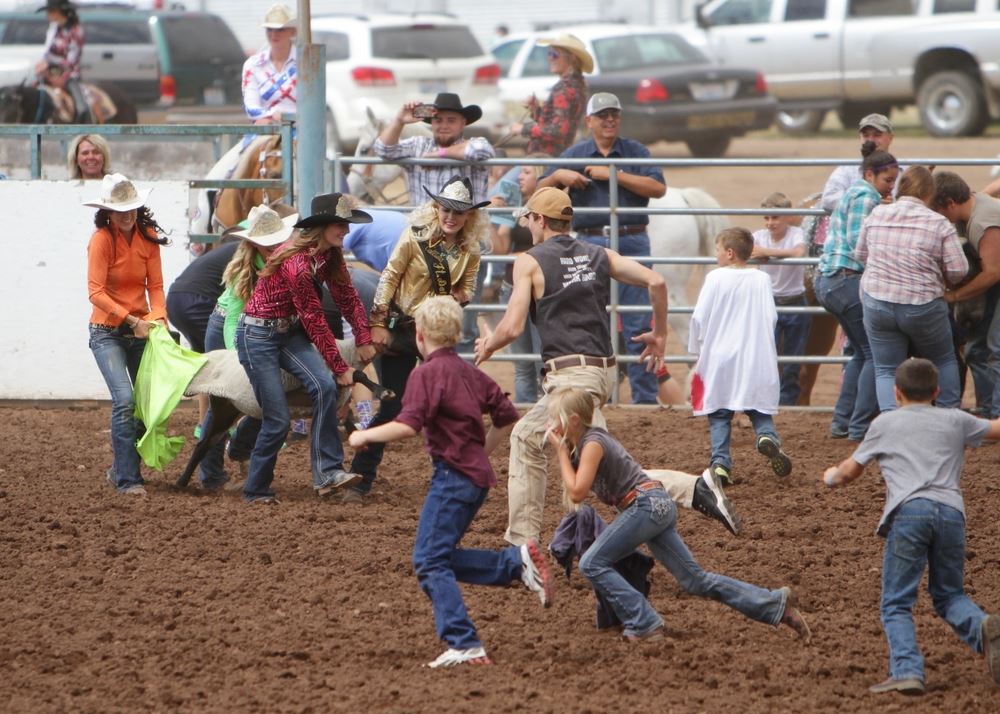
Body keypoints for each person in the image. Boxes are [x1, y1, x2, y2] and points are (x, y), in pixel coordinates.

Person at [348, 296, 552, 668]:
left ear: (419, 336)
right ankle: (514, 564)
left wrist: (365, 436)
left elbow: (409, 424)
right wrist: (480, 451)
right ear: (457, 334)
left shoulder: (425, 374)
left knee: (428, 561)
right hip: (474, 479)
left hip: (453, 478)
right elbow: (507, 417)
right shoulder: (471, 372)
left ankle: (464, 641)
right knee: (438, 558)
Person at [474, 187, 669, 545]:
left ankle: (522, 544)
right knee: (601, 461)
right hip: (600, 370)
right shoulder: (598, 253)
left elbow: (514, 326)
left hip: (571, 377)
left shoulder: (529, 261)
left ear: (541, 220)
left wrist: (489, 344)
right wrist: (660, 333)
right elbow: (656, 281)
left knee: (525, 438)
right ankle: (695, 490)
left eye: (529, 219)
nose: (528, 226)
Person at [548, 386, 811, 644]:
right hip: (654, 505)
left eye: (554, 417)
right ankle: (773, 603)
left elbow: (577, 492)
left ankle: (643, 622)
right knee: (695, 580)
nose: (550, 424)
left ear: (573, 420)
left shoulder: (593, 443)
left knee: (591, 563)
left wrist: (559, 452)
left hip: (645, 506)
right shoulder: (584, 445)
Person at [822, 358, 1000, 695]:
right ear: (936, 391)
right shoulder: (956, 419)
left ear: (896, 392)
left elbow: (849, 472)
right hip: (951, 513)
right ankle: (983, 628)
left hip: (909, 512)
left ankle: (906, 669)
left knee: (896, 602)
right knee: (950, 594)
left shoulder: (884, 423)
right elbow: (996, 428)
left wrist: (830, 476)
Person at [349, 176, 487, 503]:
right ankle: (360, 476)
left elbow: (467, 288)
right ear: (436, 208)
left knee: (446, 403)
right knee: (394, 404)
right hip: (399, 328)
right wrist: (378, 323)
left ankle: (451, 474)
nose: (451, 216)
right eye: (446, 209)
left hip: (435, 333)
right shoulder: (414, 236)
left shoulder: (471, 250)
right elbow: (389, 278)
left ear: (469, 216)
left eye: (459, 211)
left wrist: (452, 303)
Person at [236, 193, 376, 504]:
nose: (346, 231)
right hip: (258, 336)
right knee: (278, 418)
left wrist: (363, 337)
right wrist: (340, 367)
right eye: (340, 225)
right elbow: (313, 317)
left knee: (324, 387)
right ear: (323, 226)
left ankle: (328, 473)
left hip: (285, 332)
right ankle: (255, 488)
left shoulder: (328, 256)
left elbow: (348, 297)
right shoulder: (297, 264)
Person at [538, 92, 667, 404]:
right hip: (591, 237)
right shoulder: (576, 153)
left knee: (637, 319)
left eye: (614, 115)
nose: (609, 120)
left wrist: (614, 175)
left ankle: (644, 399)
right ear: (589, 121)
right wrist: (558, 176)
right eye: (603, 115)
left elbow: (658, 188)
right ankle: (598, 394)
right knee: (591, 316)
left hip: (630, 236)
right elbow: (538, 190)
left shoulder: (635, 151)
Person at [195, 207, 299, 491]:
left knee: (266, 394)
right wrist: (236, 358)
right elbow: (232, 319)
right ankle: (211, 474)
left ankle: (240, 447)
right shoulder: (246, 270)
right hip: (227, 328)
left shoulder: (288, 257)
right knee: (222, 404)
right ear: (254, 244)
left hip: (263, 327)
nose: (272, 246)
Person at [85, 174, 170, 496]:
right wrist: (132, 319)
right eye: (120, 208)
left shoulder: (147, 236)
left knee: (146, 404)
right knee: (125, 400)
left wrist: (158, 316)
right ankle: (128, 479)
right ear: (107, 211)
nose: (127, 214)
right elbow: (95, 292)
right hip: (107, 330)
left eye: (132, 207)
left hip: (139, 328)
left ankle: (121, 468)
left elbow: (156, 287)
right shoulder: (101, 240)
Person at [857, 166, 968, 411]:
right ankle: (948, 416)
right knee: (943, 359)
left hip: (878, 300)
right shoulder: (938, 224)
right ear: (930, 193)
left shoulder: (877, 215)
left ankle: (891, 420)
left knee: (886, 368)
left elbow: (860, 254)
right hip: (922, 303)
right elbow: (959, 269)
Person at [689, 227, 792, 486]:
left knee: (720, 413)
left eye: (717, 250)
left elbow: (699, 317)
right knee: (757, 407)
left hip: (720, 354)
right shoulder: (761, 279)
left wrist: (698, 348)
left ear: (730, 253)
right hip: (754, 354)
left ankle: (721, 463)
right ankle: (766, 435)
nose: (716, 255)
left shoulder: (715, 278)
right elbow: (771, 317)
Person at [813, 146, 899, 440]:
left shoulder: (855, 193)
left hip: (832, 281)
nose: (890, 187)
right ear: (870, 174)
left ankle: (844, 421)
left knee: (863, 353)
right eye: (887, 180)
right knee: (875, 353)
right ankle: (859, 426)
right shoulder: (866, 197)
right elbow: (858, 244)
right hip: (846, 280)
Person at [933, 172, 1000, 417]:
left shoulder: (984, 222)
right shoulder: (975, 204)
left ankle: (997, 417)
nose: (941, 218)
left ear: (950, 203)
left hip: (995, 279)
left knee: (996, 346)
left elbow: (992, 273)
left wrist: (955, 295)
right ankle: (989, 411)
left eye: (939, 211)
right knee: (976, 349)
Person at [489, 160, 545, 403]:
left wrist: (519, 257)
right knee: (523, 365)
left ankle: (547, 416)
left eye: (527, 172)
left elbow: (547, 249)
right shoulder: (514, 203)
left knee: (543, 362)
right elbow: (499, 249)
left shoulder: (550, 208)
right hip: (514, 287)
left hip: (540, 290)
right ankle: (526, 417)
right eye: (520, 172)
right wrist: (491, 218)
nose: (519, 177)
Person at [373, 93, 496, 202]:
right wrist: (399, 121)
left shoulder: (477, 143)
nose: (444, 125)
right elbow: (383, 150)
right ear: (431, 122)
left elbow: (479, 151)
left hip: (466, 225)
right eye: (438, 120)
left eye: (451, 120)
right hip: (425, 225)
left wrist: (437, 154)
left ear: (463, 123)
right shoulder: (418, 144)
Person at [751, 192, 810, 406]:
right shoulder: (759, 235)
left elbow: (798, 253)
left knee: (793, 359)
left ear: (787, 217)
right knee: (768, 356)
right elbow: (751, 251)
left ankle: (787, 402)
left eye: (775, 217)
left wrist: (767, 252)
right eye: (766, 218)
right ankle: (770, 400)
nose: (770, 223)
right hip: (771, 302)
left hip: (795, 300)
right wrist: (775, 252)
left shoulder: (796, 233)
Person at [509, 34, 591, 157]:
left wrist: (523, 129)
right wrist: (535, 110)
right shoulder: (578, 85)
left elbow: (557, 131)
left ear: (572, 59)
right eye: (549, 53)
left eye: (555, 54)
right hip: (558, 156)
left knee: (507, 177)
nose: (550, 58)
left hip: (544, 159)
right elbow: (560, 123)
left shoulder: (564, 88)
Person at [821, 113, 896, 212]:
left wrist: (895, 204)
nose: (871, 140)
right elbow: (828, 199)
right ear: (860, 138)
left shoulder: (905, 171)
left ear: (890, 138)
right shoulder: (846, 170)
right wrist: (868, 202)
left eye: (877, 135)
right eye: (866, 135)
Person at [242, 4, 297, 125]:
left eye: (280, 29)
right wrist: (272, 117)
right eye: (269, 29)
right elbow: (251, 107)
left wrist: (283, 118)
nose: (273, 34)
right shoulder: (253, 65)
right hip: (266, 131)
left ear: (293, 31)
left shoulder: (306, 63)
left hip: (301, 132)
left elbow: (313, 106)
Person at [35, 0, 88, 123]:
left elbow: (72, 60)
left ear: (60, 12)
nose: (48, 14)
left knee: (81, 107)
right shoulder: (54, 30)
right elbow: (48, 52)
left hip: (68, 75)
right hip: (48, 74)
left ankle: (85, 128)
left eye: (51, 11)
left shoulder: (76, 31)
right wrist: (43, 63)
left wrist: (50, 64)